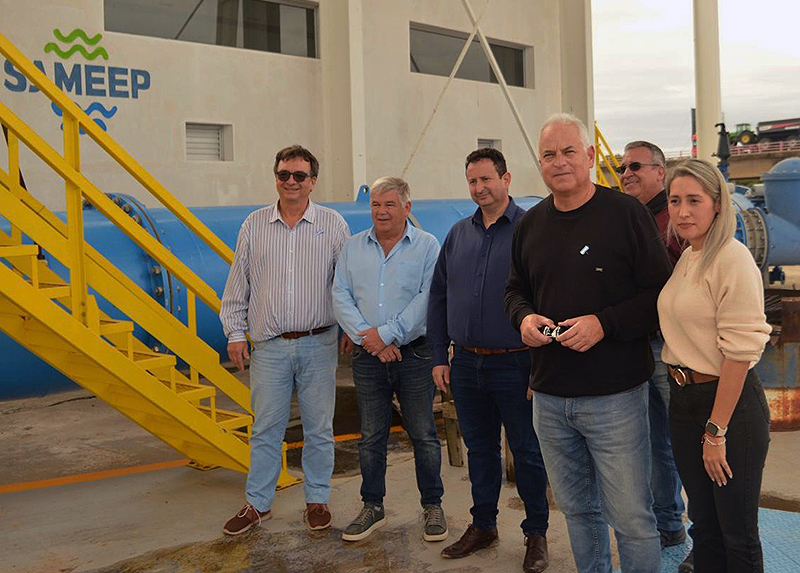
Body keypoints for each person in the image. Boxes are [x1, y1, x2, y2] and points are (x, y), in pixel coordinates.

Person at [504, 113, 672, 573]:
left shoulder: (626, 215)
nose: (559, 162)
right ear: (539, 162)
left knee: (631, 517)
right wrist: (523, 318)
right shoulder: (530, 224)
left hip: (615, 397)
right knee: (578, 512)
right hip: (551, 399)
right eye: (549, 155)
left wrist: (604, 323)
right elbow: (514, 290)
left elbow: (660, 295)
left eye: (568, 152)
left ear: (591, 156)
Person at [427, 148, 550, 572]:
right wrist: (440, 355)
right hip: (465, 364)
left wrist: (540, 367)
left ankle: (536, 533)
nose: (479, 188)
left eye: (486, 179)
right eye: (472, 181)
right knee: (479, 451)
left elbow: (547, 298)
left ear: (506, 179)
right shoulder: (458, 234)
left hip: (517, 363)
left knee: (527, 451)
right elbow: (439, 296)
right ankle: (483, 525)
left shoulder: (530, 230)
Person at [219, 145, 349, 535]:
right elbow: (238, 283)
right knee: (266, 429)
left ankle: (317, 500)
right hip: (269, 347)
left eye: (299, 175)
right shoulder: (254, 225)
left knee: (318, 428)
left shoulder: (333, 225)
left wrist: (349, 329)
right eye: (283, 174)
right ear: (275, 178)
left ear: (313, 181)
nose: (291, 181)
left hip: (318, 343)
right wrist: (235, 333)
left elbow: (345, 284)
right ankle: (258, 504)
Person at [658, 159, 771, 573]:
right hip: (684, 399)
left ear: (718, 204)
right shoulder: (691, 256)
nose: (683, 211)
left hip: (727, 407)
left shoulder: (731, 258)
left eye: (694, 200)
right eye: (675, 201)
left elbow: (739, 353)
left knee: (736, 532)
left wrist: (716, 431)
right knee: (704, 526)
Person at [332, 177, 446, 542]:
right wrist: (371, 339)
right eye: (376, 205)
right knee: (371, 436)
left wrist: (388, 334)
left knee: (423, 434)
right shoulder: (353, 247)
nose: (381, 212)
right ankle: (372, 506)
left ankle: (432, 505)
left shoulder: (427, 246)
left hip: (415, 354)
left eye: (390, 205)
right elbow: (340, 296)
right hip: (369, 356)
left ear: (407, 208)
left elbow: (428, 298)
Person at [620, 141, 688, 552]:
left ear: (660, 172)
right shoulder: (630, 218)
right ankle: (668, 523)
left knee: (688, 442)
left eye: (635, 166)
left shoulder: (676, 220)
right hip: (639, 347)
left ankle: (707, 538)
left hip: (674, 348)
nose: (626, 173)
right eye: (623, 167)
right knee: (652, 443)